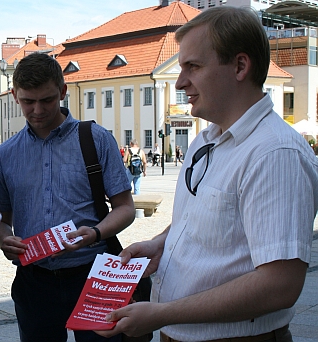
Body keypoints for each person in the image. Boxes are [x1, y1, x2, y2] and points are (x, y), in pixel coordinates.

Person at [97, 6, 318, 341]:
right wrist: (161, 243)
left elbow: (279, 285)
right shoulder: (208, 138)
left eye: (193, 67)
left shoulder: (274, 152)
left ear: (240, 66)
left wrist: (162, 314)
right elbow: (206, 216)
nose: (181, 81)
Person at [0, 53, 135, 342]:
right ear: (15, 96)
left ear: (63, 92)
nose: (37, 110)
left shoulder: (96, 139)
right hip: (34, 281)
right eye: (28, 101)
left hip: (93, 274)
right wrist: (5, 239)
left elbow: (125, 208)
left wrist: (93, 233)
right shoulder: (6, 154)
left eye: (47, 100)